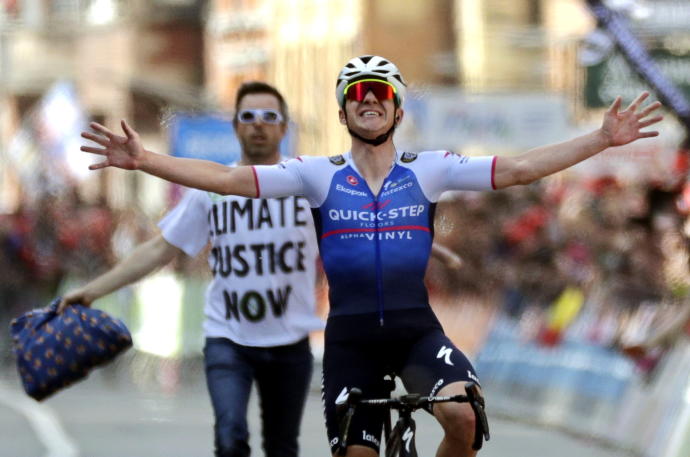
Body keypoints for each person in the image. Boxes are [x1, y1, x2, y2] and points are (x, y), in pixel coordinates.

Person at [77, 55, 663, 457]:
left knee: (463, 418)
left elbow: (518, 169)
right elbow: (229, 178)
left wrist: (601, 139)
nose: (369, 101)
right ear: (343, 114)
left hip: (416, 332)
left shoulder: (428, 169)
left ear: (397, 110)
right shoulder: (314, 175)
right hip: (352, 339)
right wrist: (145, 159)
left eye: (380, 93)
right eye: (356, 95)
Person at [59, 81, 325, 457]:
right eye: (248, 116)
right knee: (230, 438)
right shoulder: (212, 189)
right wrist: (92, 291)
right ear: (235, 126)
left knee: (282, 447)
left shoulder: (307, 188)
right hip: (229, 338)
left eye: (270, 116)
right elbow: (158, 249)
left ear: (284, 127)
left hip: (289, 340)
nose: (259, 124)